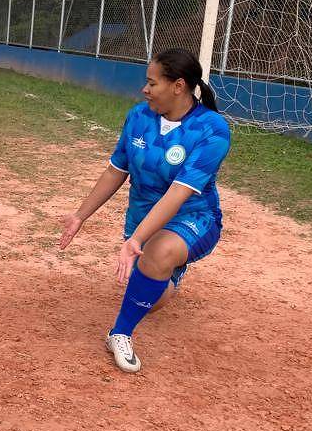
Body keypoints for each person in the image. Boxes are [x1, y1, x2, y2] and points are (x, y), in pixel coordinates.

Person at [59, 49, 230, 373]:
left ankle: (119, 334)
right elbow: (115, 170)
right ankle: (169, 272)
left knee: (160, 251)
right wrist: (80, 215)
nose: (144, 89)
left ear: (178, 86)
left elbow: (179, 192)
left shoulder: (212, 129)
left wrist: (137, 240)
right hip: (142, 219)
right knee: (152, 299)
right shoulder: (138, 117)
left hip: (195, 217)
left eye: (152, 83)